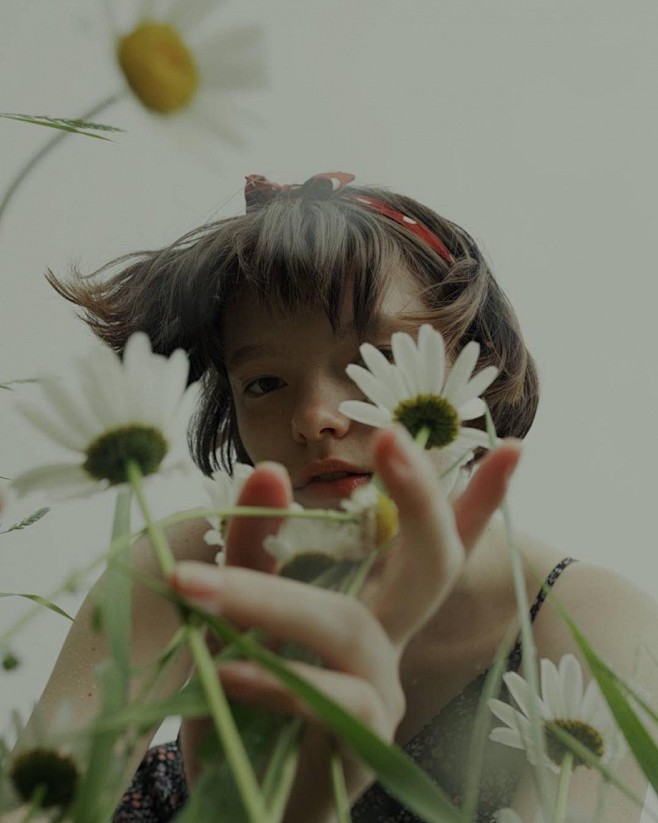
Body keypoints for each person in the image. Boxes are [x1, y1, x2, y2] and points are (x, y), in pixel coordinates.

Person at [20, 173, 658, 821]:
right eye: (265, 381)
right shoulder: (183, 564)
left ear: (475, 365)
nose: (315, 416)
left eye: (375, 359)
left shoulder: (593, 625)